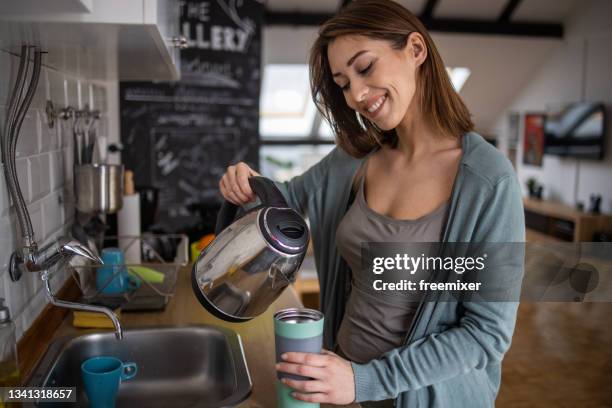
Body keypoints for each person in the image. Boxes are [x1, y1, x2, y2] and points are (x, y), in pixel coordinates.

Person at [219, 1, 524, 407]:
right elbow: (282, 204)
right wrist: (247, 186)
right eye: (343, 83)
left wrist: (365, 381)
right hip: (340, 387)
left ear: (416, 50)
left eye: (365, 68)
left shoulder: (488, 181)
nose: (356, 96)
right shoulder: (354, 158)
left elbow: (485, 334)